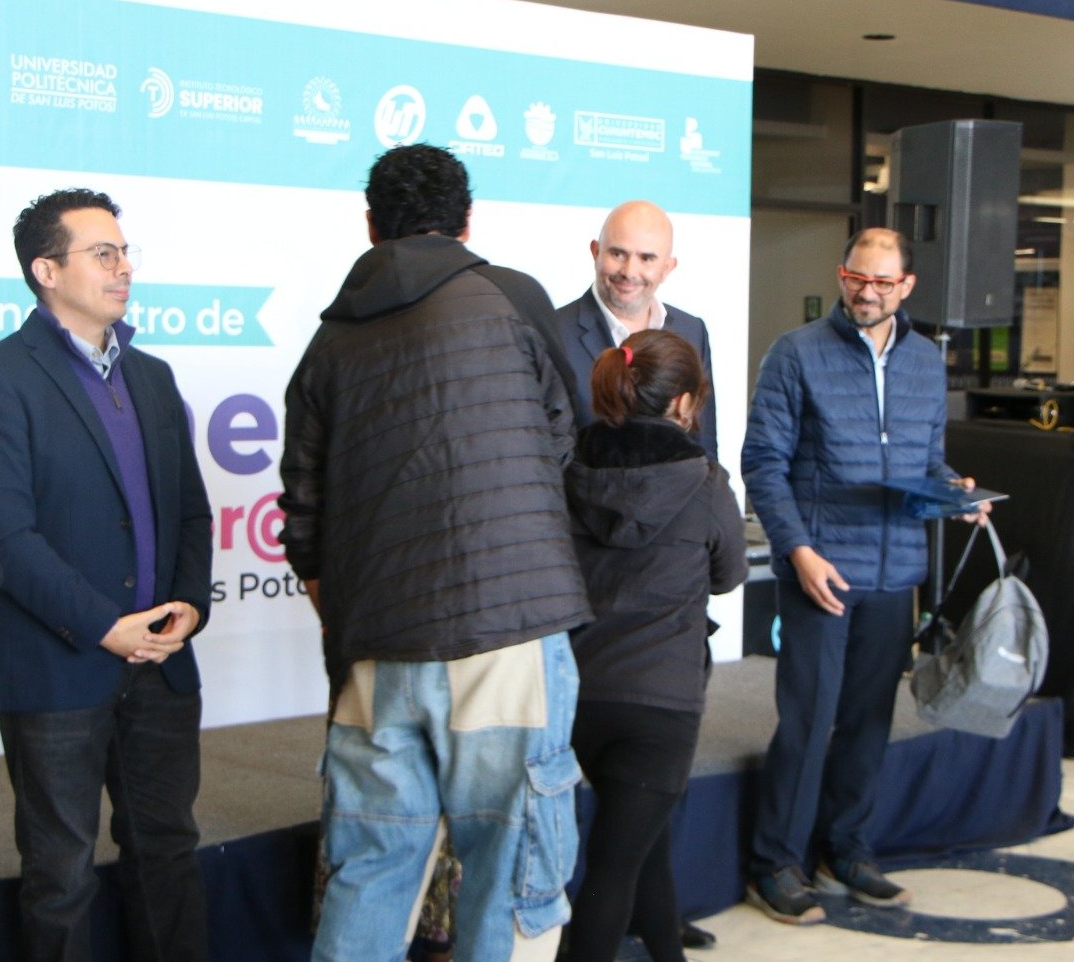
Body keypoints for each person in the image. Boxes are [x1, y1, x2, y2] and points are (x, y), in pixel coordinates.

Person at [278, 143, 593, 962]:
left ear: (372, 226)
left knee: (369, 872)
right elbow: (563, 442)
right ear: (466, 221)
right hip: (508, 635)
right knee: (512, 872)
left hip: (376, 649)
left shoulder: (330, 338)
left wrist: (352, 618)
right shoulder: (513, 296)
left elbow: (304, 515)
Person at [0, 188, 212, 961]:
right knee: (61, 873)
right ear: (46, 270)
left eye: (124, 252)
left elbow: (192, 514)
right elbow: (6, 541)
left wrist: (189, 604)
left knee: (167, 850)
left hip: (161, 661)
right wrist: (104, 626)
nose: (124, 268)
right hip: (55, 664)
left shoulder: (153, 377)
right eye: (103, 254)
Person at [741, 227, 988, 925]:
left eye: (882, 281)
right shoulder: (795, 353)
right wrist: (798, 551)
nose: (867, 292)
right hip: (821, 570)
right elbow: (762, 462)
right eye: (857, 277)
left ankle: (845, 851)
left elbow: (927, 461)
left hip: (895, 569)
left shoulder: (926, 361)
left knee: (869, 723)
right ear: (841, 274)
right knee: (808, 721)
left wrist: (955, 492)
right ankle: (775, 864)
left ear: (906, 286)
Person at [563, 330, 747, 962]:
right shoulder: (704, 481)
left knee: (643, 843)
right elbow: (729, 574)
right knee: (613, 867)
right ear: (685, 402)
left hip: (578, 690)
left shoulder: (570, 470)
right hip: (660, 700)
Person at [557, 200, 718, 462]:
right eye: (617, 254)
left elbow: (704, 447)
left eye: (646, 258)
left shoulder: (692, 331)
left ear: (667, 268)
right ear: (595, 252)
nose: (629, 271)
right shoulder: (554, 332)